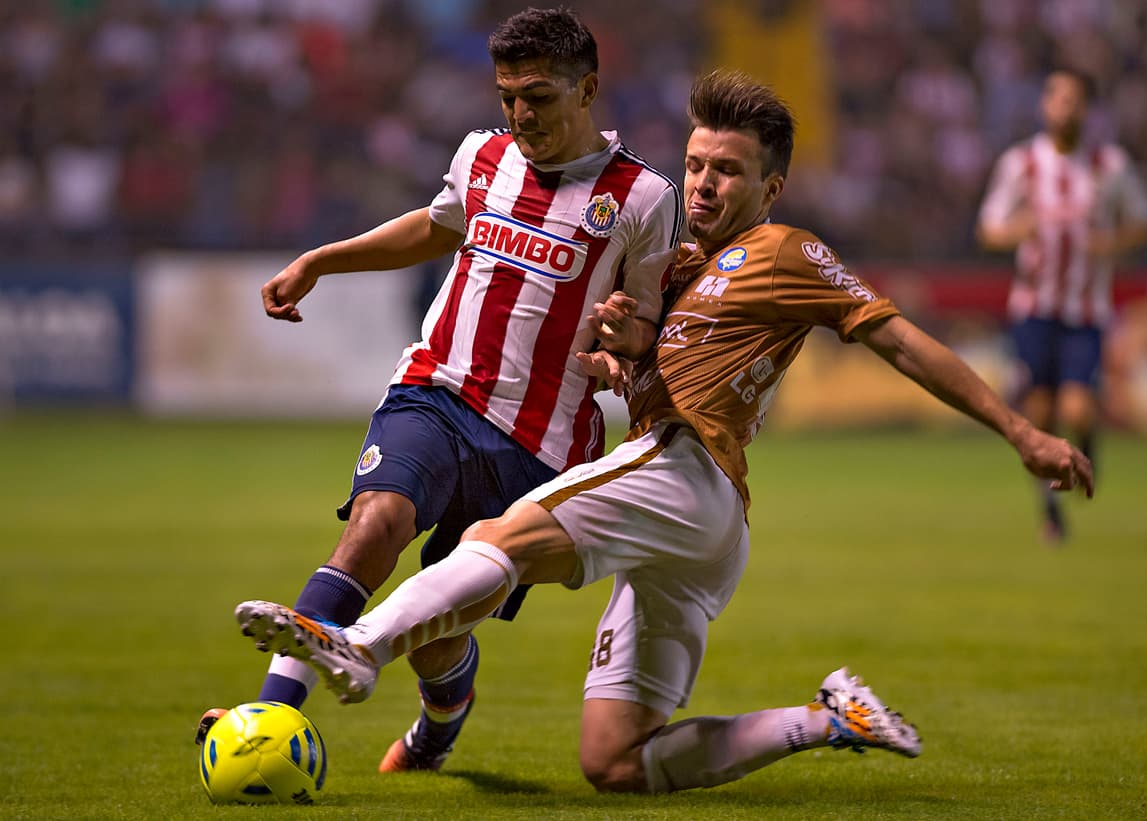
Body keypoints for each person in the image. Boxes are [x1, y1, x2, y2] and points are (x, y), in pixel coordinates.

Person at [235, 70, 1093, 794]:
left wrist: (1021, 431)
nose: (705, 184)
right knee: (612, 760)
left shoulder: (787, 254)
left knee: (504, 534)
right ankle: (823, 718)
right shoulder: (677, 265)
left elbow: (900, 341)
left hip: (686, 470)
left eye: (728, 170)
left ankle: (357, 648)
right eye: (695, 165)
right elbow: (659, 353)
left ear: (771, 189)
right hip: (701, 531)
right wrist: (626, 353)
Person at [200, 6, 682, 776]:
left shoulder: (643, 200)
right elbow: (436, 226)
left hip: (538, 444)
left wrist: (628, 350)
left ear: (587, 88)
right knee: (375, 524)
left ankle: (440, 721)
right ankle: (269, 717)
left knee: (437, 628)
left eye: (539, 96)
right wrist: (322, 259)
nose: (521, 114)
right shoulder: (482, 157)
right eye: (507, 97)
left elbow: (651, 324)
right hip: (436, 391)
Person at [976, 67, 1147, 543]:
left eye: (1073, 99)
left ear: (1087, 109)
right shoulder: (1021, 163)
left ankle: (1088, 446)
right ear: (1044, 105)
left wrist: (1110, 243)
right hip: (1033, 308)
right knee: (1040, 412)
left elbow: (1143, 220)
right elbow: (989, 227)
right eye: (1056, 97)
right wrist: (1021, 229)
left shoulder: (1109, 165)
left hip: (1085, 310)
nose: (1064, 107)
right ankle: (1051, 512)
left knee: (1077, 410)